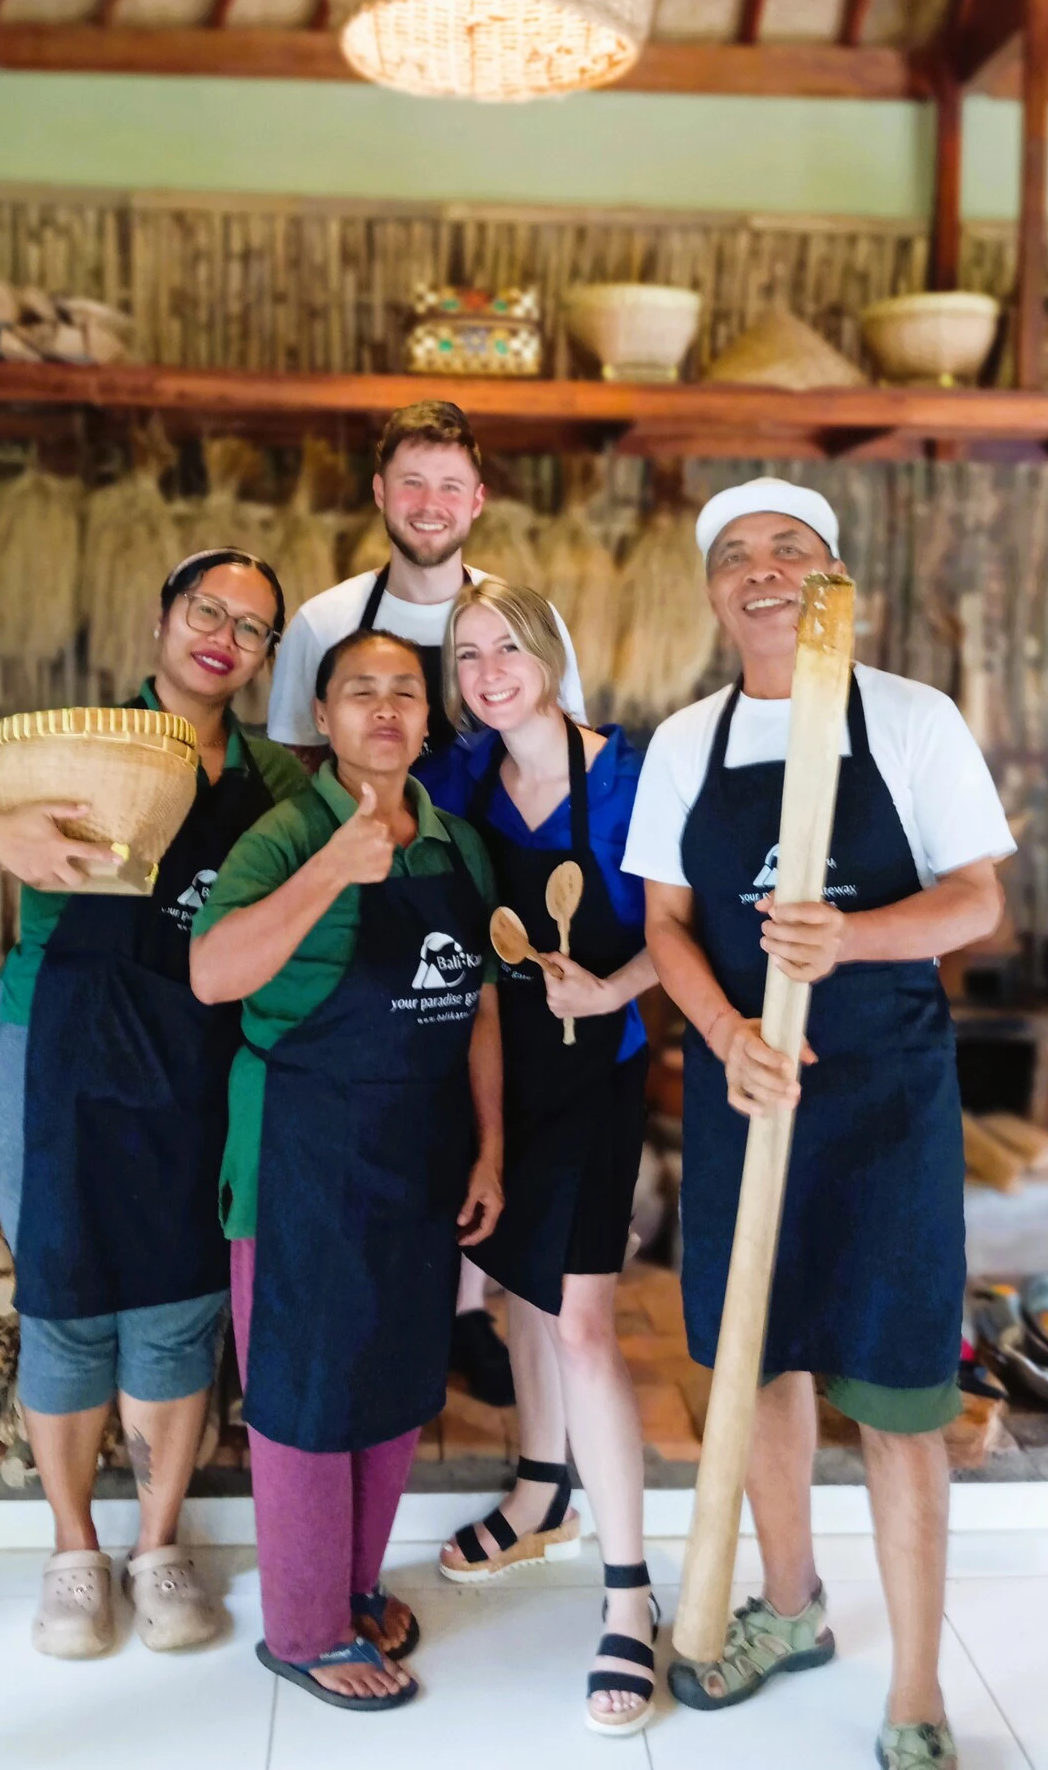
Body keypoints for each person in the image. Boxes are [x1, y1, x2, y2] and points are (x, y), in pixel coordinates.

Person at [621, 479, 1013, 1770]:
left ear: (834, 575)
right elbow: (667, 928)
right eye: (736, 554)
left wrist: (850, 936)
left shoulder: (909, 720)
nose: (763, 568)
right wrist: (729, 1036)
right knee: (763, 1365)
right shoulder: (687, 742)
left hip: (888, 1106)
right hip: (752, 1097)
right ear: (716, 592)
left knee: (901, 1402)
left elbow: (973, 904)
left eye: (790, 547)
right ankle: (790, 1611)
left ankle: (914, 1693)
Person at [0, 549, 307, 1660]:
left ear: (269, 657)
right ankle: (76, 1552)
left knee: (178, 1300)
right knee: (68, 1297)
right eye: (205, 610)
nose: (223, 635)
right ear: (166, 618)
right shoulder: (67, 742)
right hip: (50, 1044)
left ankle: (159, 1544)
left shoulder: (275, 784)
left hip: (197, 1051)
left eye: (253, 627)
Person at [189, 629, 504, 1712]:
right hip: (301, 1150)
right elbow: (211, 973)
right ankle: (303, 1628)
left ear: (429, 720)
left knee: (394, 1380)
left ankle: (355, 1586)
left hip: (419, 1150)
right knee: (304, 1391)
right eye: (357, 692)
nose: (383, 709)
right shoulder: (283, 837)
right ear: (319, 720)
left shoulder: (457, 846)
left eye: (404, 693)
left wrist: (491, 1148)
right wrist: (335, 864)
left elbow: (477, 1005)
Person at [267, 398, 584, 1406]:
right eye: (412, 482)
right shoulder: (325, 621)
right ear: (380, 495)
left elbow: (557, 743)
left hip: (490, 877)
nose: (431, 503)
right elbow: (296, 768)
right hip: (367, 875)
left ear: (479, 499)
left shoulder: (516, 616)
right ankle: (408, 1299)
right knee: (395, 1088)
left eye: (451, 484)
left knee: (491, 1084)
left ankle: (470, 1308)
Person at [428, 578, 661, 1738]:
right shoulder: (461, 780)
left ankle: (629, 1596)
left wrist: (610, 983)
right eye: (466, 656)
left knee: (580, 1325)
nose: (487, 671)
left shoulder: (626, 776)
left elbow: (699, 924)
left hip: (592, 1077)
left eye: (506, 646)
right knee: (518, 1287)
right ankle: (539, 1492)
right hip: (492, 1072)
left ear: (551, 653)